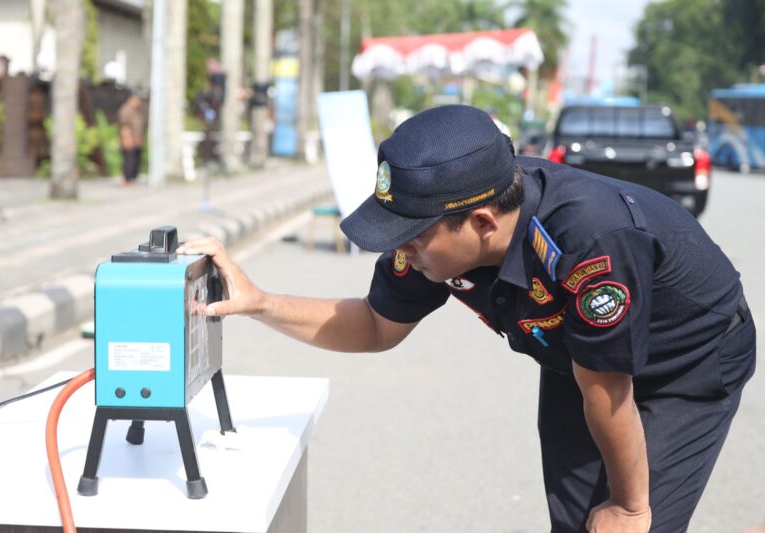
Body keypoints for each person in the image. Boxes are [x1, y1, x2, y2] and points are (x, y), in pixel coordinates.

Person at [176, 105, 756, 533]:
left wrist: (630, 507)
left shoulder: (588, 241)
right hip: (581, 362)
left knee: (631, 525)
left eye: (411, 237)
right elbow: (376, 324)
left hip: (684, 364)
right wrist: (259, 301)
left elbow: (609, 389)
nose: (401, 251)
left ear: (481, 223)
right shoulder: (439, 233)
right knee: (577, 521)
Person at [117, 94, 145, 185]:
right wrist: (127, 139)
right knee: (129, 160)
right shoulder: (126, 110)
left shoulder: (136, 110)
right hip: (129, 139)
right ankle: (127, 179)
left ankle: (132, 178)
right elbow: (125, 126)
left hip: (136, 139)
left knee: (135, 160)